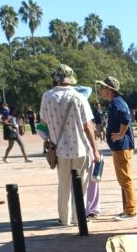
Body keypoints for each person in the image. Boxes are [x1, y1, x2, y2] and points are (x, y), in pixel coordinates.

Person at [40, 65, 99, 225]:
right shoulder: (79, 97)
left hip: (59, 148)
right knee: (81, 185)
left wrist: (50, 136)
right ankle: (79, 218)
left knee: (63, 184)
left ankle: (64, 218)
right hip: (80, 147)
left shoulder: (47, 96)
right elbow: (88, 126)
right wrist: (95, 150)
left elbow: (43, 122)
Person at [96, 75, 137, 220]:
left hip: (121, 147)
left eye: (102, 87)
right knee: (124, 179)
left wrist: (120, 134)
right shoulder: (117, 102)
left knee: (125, 179)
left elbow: (126, 118)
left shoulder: (116, 103)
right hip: (120, 147)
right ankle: (129, 209)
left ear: (109, 89)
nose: (100, 90)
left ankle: (131, 211)